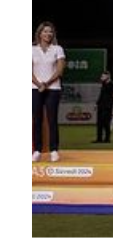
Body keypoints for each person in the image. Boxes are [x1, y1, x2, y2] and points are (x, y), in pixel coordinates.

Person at [31, 22, 66, 162]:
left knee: (52, 120)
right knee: (37, 120)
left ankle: (53, 150)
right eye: (45, 31)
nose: (48, 34)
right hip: (34, 88)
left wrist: (46, 84)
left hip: (53, 88)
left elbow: (60, 70)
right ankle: (37, 151)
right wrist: (39, 84)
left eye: (50, 32)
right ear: (39, 33)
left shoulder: (57, 49)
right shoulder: (32, 49)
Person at [94, 71, 113, 144]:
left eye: (103, 76)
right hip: (101, 105)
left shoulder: (111, 84)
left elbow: (109, 93)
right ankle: (99, 138)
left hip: (107, 106)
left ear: (108, 76)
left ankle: (107, 138)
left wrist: (104, 82)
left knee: (106, 123)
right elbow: (101, 95)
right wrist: (97, 103)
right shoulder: (103, 84)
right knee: (99, 123)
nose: (102, 78)